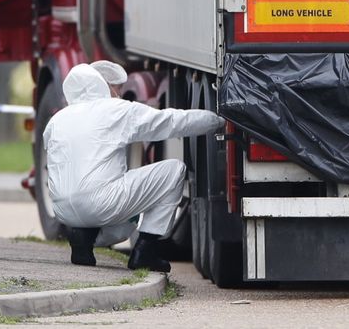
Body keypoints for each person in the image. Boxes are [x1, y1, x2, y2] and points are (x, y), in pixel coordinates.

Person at [44, 62, 223, 272]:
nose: (120, 93)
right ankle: (145, 251)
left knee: (122, 223)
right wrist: (219, 120)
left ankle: (83, 239)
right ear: (104, 86)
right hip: (100, 203)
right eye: (117, 87)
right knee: (174, 170)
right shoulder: (116, 110)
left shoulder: (57, 120)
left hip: (63, 212)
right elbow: (171, 122)